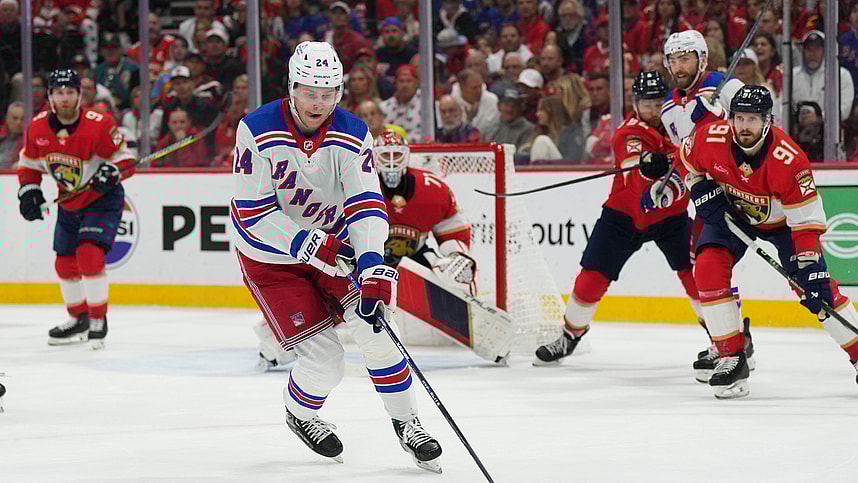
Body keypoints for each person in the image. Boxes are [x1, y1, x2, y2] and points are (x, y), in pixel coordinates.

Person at [229, 41, 442, 472]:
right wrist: (306, 243)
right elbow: (250, 212)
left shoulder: (352, 132)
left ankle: (408, 422)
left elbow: (366, 202)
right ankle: (302, 414)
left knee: (378, 328)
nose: (319, 102)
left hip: (334, 249)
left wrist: (370, 263)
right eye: (310, 91)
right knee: (325, 359)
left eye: (329, 93)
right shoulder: (256, 129)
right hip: (271, 261)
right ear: (291, 86)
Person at [671, 85, 858, 398]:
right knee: (706, 268)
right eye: (740, 118)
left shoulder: (789, 160)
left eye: (753, 120)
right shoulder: (710, 138)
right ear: (730, 119)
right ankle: (732, 357)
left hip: (785, 227)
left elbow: (805, 224)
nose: (745, 127)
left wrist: (810, 267)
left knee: (818, 292)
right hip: (731, 217)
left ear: (768, 121)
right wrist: (698, 188)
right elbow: (685, 161)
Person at [533, 72, 703, 366]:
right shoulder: (629, 133)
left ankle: (724, 340)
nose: (651, 109)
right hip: (624, 217)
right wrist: (649, 166)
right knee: (591, 278)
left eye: (656, 102)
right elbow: (635, 176)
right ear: (635, 103)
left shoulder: (684, 127)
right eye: (644, 102)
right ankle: (570, 335)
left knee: (700, 275)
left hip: (672, 217)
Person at [16, 69, 136, 350]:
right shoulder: (37, 127)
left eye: (70, 92)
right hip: (69, 201)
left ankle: (97, 319)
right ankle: (79, 318)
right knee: (64, 263)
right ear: (50, 96)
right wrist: (29, 190)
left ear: (80, 95)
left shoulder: (99, 124)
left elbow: (127, 160)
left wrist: (113, 171)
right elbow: (29, 165)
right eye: (59, 92)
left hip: (101, 200)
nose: (65, 98)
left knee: (89, 254)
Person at [661, 30, 744, 146]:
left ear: (703, 59)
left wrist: (723, 119)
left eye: (684, 59)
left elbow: (758, 132)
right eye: (672, 61)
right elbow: (680, 153)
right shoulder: (667, 107)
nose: (677, 68)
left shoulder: (728, 87)